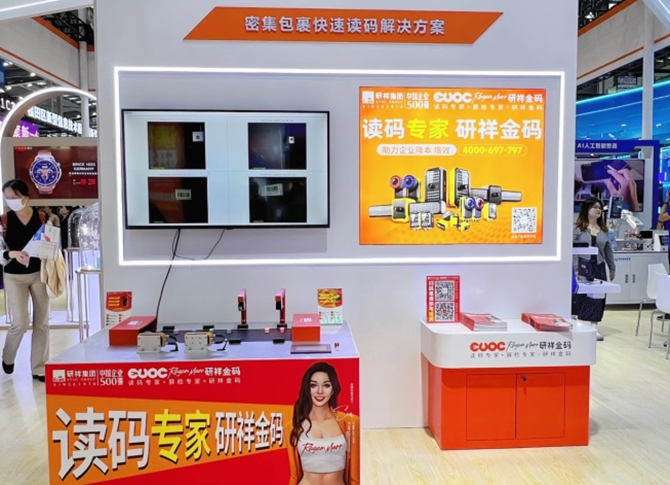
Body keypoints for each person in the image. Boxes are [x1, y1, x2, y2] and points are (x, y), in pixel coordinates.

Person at [1, 179, 50, 382]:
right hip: (14, 276)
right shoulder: (4, 221)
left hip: (39, 274)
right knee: (20, 323)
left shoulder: (43, 218)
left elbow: (53, 244)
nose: (10, 201)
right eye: (7, 198)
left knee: (42, 323)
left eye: (14, 197)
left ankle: (39, 368)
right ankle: (8, 356)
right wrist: (11, 254)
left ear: (26, 197)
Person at [288, 362, 360, 485]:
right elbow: (294, 476)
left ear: (333, 389)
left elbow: (354, 476)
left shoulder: (350, 422)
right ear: (307, 389)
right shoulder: (295, 425)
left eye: (326, 385)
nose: (320, 391)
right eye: (313, 385)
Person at [573, 198, 616, 341]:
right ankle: (575, 323)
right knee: (578, 296)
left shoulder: (604, 230)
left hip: (598, 266)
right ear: (587, 209)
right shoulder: (577, 228)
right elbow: (572, 249)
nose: (598, 210)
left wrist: (612, 267)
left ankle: (594, 327)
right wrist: (575, 268)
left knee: (598, 297)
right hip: (582, 266)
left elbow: (608, 250)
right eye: (595, 207)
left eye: (600, 208)